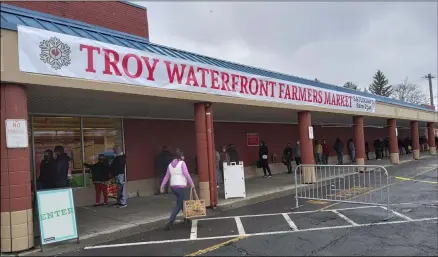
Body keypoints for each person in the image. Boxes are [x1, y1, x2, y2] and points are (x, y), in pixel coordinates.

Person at [160, 151, 195, 231]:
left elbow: (166, 176)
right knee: (179, 204)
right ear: (181, 157)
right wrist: (191, 183)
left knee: (182, 201)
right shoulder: (182, 163)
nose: (184, 158)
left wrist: (162, 186)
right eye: (183, 156)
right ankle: (170, 221)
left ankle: (187, 219)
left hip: (173, 187)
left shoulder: (170, 165)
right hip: (180, 186)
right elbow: (186, 174)